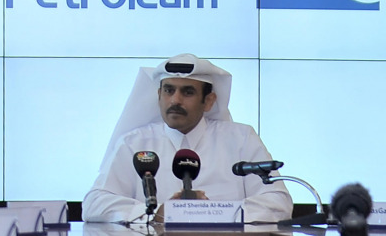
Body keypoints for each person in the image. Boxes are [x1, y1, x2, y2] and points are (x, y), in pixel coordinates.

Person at [82, 53, 292, 223]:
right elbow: (94, 203)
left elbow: (279, 203)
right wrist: (156, 214)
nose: (175, 100)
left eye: (187, 92)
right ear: (158, 95)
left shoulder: (241, 139)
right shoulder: (134, 143)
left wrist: (214, 214)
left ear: (208, 101)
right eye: (169, 90)